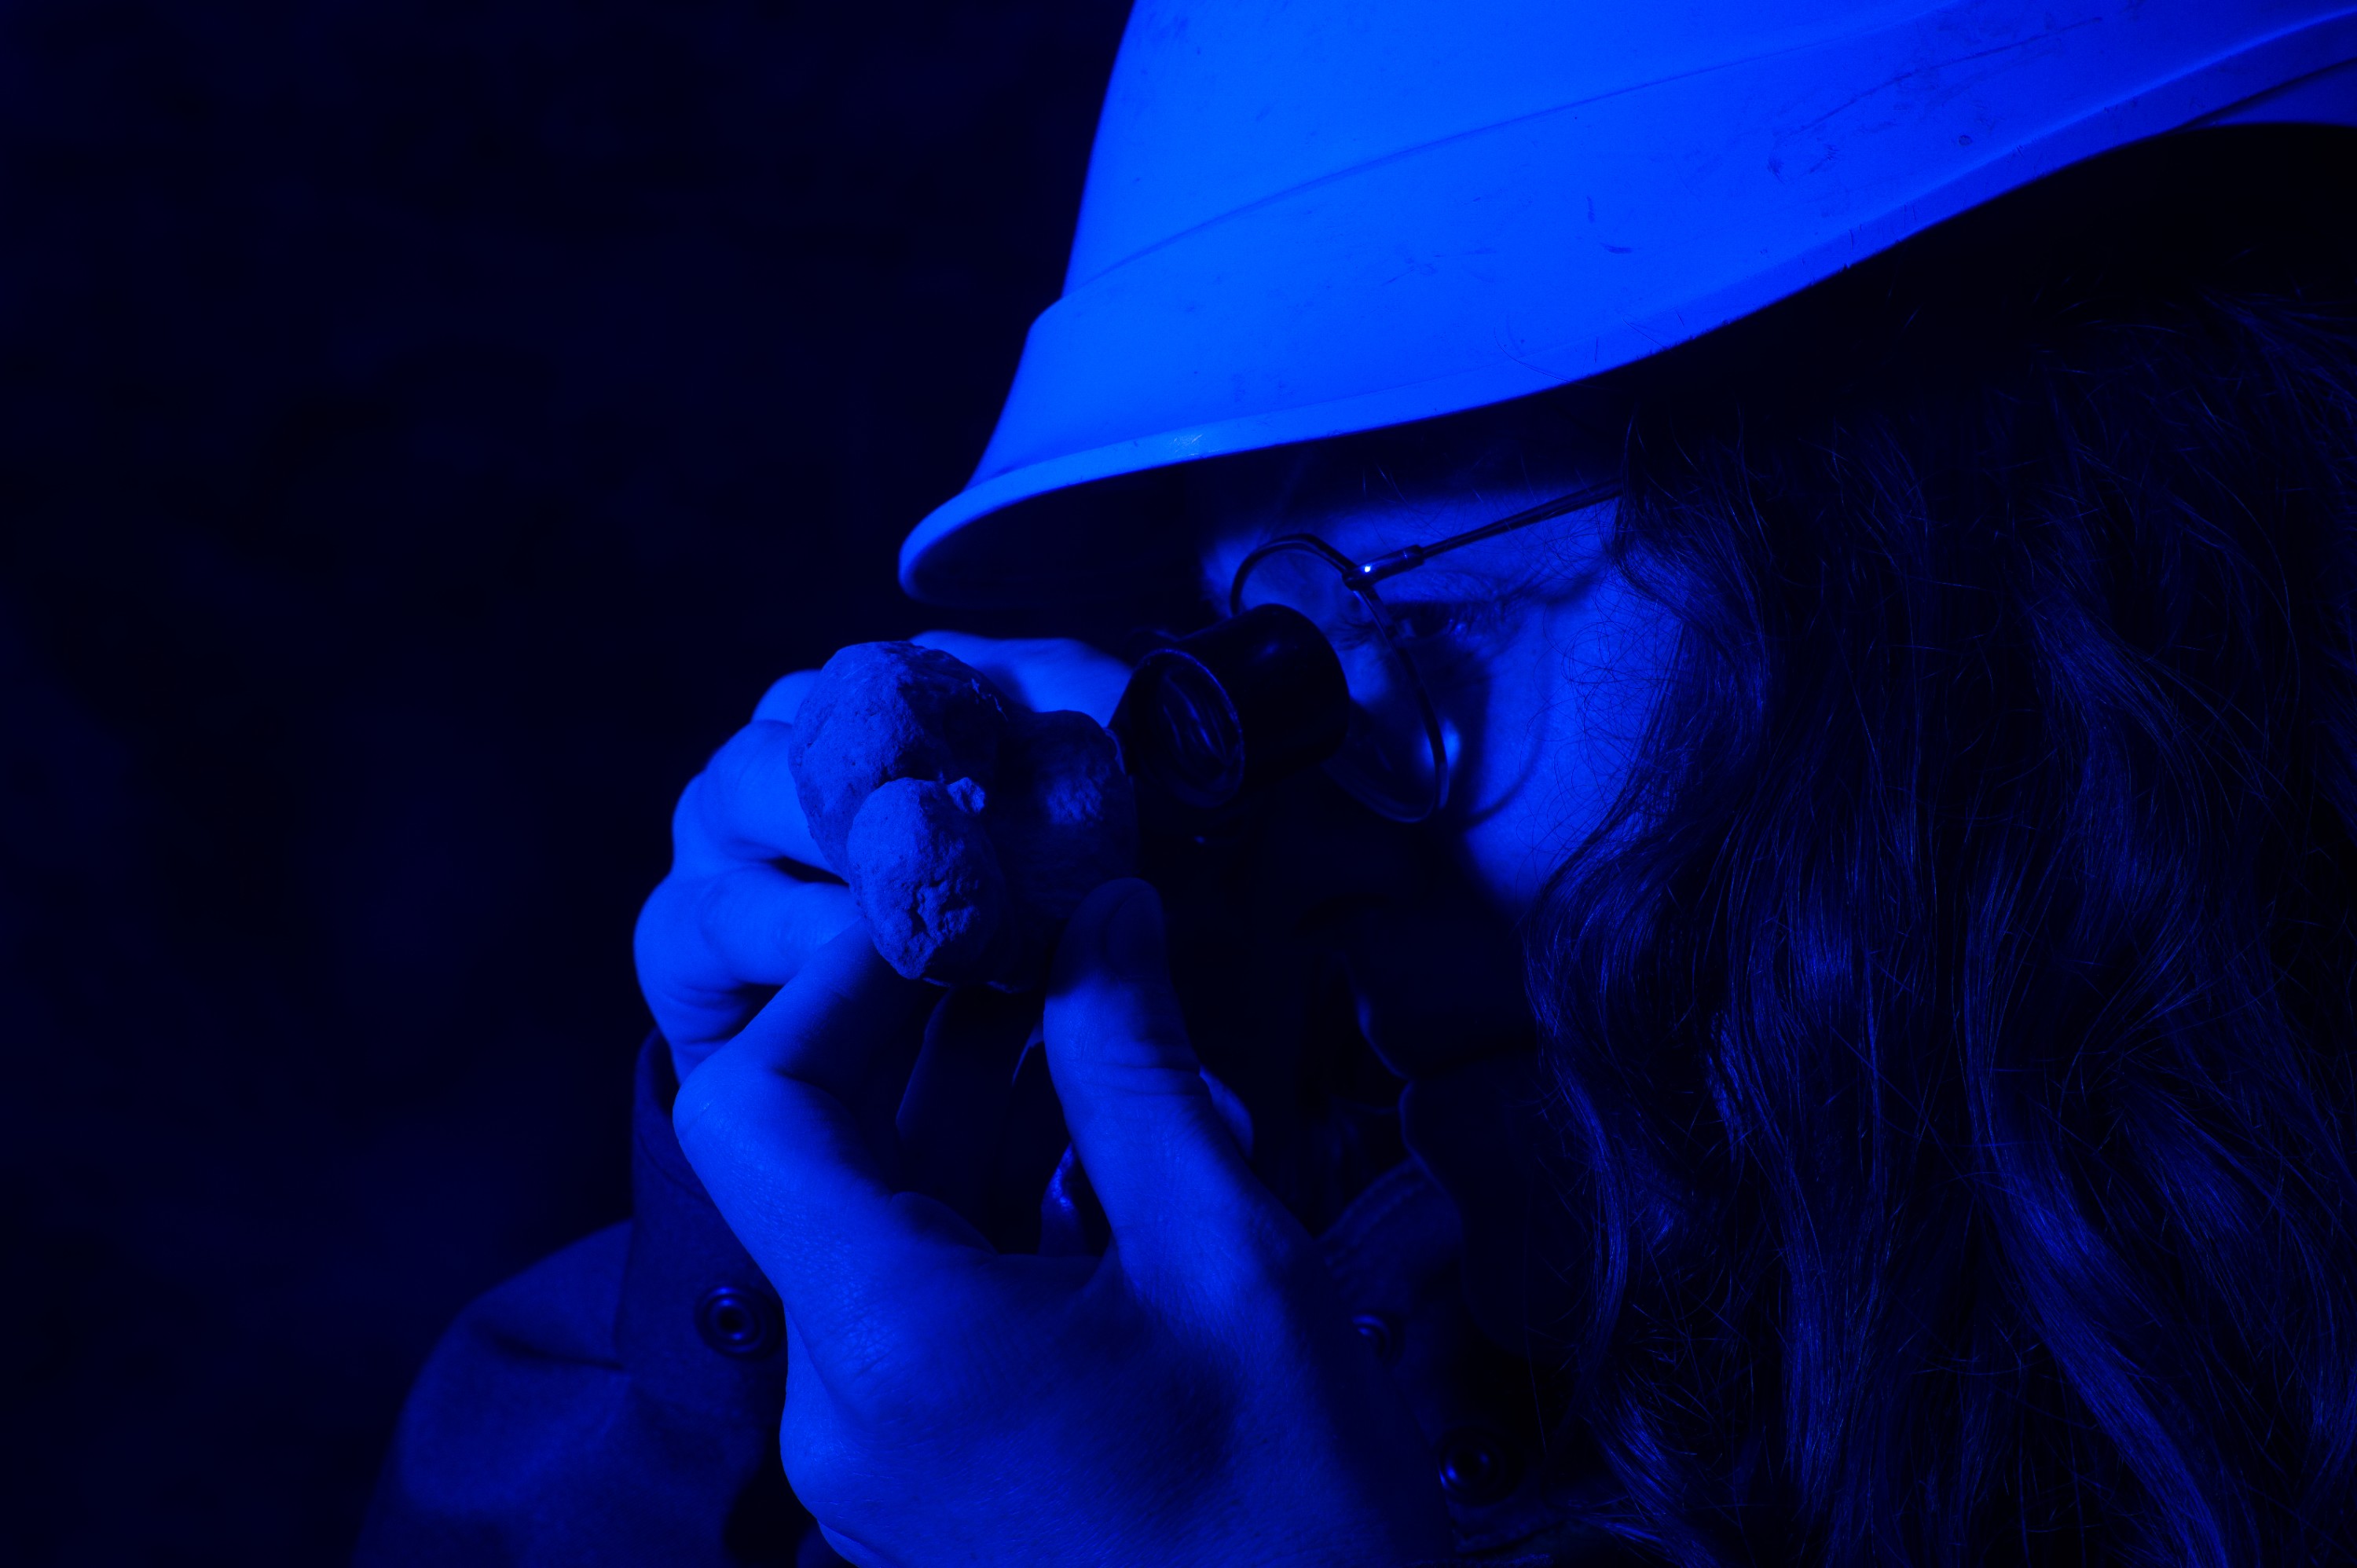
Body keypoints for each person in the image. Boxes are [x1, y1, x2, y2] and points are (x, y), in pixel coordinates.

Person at [360, 4, 2357, 1564]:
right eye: (1252, 648)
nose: (1298, 850)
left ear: (2030, 587)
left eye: (1431, 622)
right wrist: (755, 1339)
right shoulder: (1399, 1336)